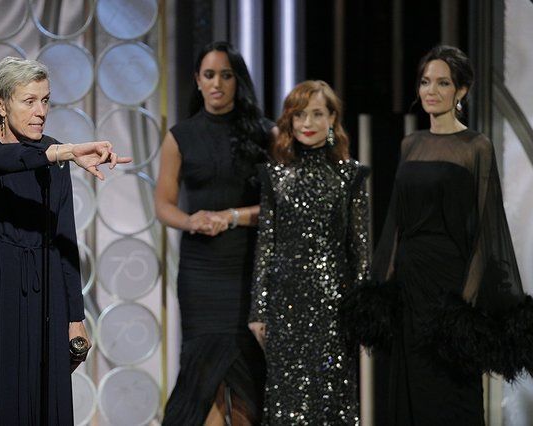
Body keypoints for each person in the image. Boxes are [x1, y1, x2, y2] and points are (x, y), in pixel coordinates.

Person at [342, 45, 533, 425]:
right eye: (426, 81)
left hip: (449, 284)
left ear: (461, 90)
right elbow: (396, 221)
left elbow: (486, 229)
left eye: (443, 83)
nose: (431, 90)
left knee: (453, 394)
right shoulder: (410, 144)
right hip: (409, 287)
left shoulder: (476, 146)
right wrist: (382, 287)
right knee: (410, 390)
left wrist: (462, 306)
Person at [0, 57, 131, 425]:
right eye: (29, 101)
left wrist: (75, 318)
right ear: (0, 104)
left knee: (39, 396)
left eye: (45, 100)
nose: (40, 112)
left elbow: (64, 237)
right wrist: (61, 152)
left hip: (42, 287)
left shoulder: (54, 154)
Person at [155, 41, 274, 425]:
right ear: (197, 80)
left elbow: (281, 208)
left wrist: (233, 216)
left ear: (238, 81)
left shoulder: (266, 134)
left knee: (248, 377)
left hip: (249, 269)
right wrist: (191, 221)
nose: (217, 83)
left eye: (226, 75)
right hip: (200, 273)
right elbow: (164, 205)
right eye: (209, 75)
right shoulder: (180, 136)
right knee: (204, 375)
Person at [248, 80, 369, 424]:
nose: (308, 123)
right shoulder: (276, 177)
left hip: (335, 306)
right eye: (300, 115)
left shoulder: (350, 176)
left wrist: (361, 311)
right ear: (290, 120)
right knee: (286, 402)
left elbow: (360, 249)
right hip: (284, 305)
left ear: (332, 118)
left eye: (317, 114)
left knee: (332, 399)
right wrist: (258, 309)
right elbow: (266, 244)